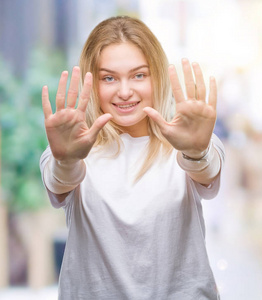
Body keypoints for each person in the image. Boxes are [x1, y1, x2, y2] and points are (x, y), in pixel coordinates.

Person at [39, 16, 225, 300]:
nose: (124, 92)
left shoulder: (189, 142)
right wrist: (65, 159)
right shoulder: (73, 149)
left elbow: (207, 174)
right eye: (109, 78)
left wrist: (197, 152)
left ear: (157, 76)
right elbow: (59, 184)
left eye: (139, 75)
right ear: (94, 81)